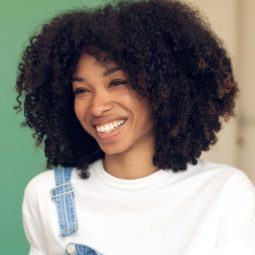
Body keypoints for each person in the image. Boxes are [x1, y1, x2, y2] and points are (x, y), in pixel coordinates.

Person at [14, 0, 255, 254]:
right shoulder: (48, 195)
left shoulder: (225, 193)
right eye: (82, 90)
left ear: (163, 87)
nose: (97, 107)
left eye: (117, 82)